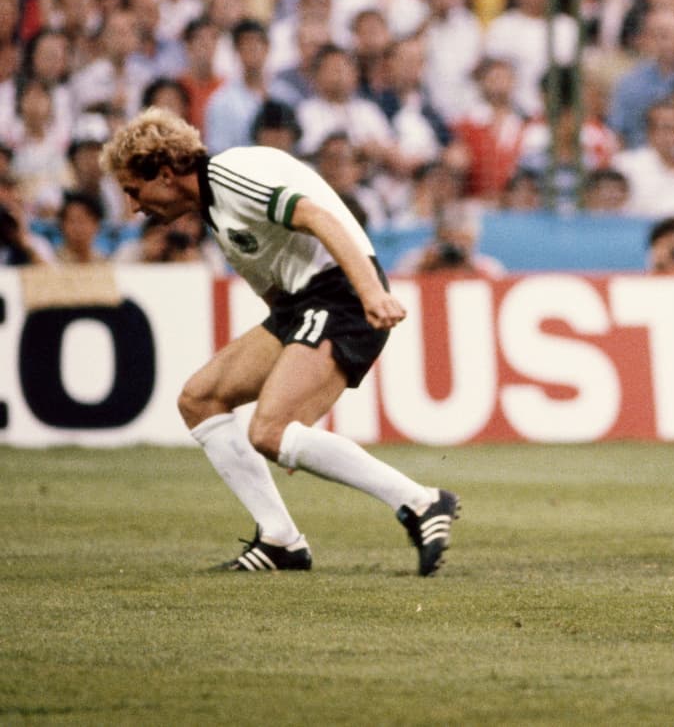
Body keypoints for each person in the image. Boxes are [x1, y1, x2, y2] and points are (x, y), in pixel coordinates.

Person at [100, 107, 459, 576]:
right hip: (301, 307)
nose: (133, 206)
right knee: (200, 399)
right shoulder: (216, 209)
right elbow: (275, 296)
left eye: (134, 190)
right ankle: (280, 540)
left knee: (267, 431)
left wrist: (371, 290)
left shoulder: (230, 174)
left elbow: (319, 217)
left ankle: (420, 501)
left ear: (165, 174)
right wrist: (297, 423)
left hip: (340, 294)